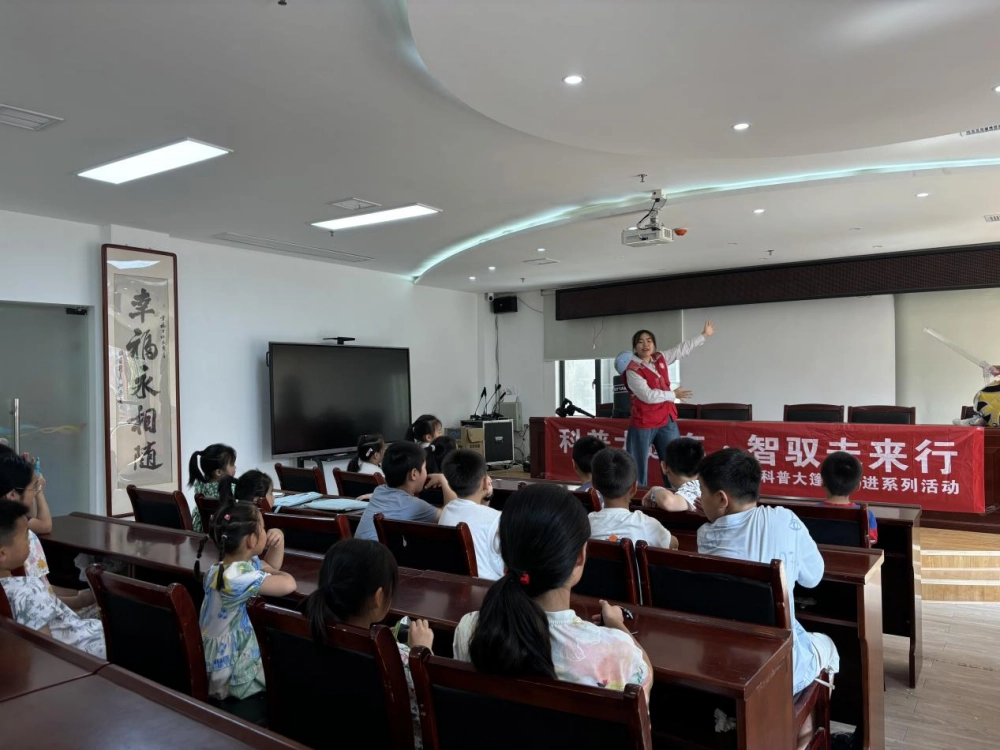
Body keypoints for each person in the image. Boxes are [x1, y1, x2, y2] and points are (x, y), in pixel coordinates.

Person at [453, 483, 652, 700]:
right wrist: (616, 624)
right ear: (580, 557)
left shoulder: (470, 630)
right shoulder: (618, 652)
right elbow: (645, 678)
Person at [695, 449, 837, 750]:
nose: (699, 499)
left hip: (722, 664)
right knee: (827, 646)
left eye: (702, 492)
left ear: (722, 499)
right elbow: (813, 578)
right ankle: (803, 735)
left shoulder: (705, 536)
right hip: (778, 667)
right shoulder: (784, 520)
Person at [305, 539, 434, 748]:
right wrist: (421, 652)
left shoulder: (304, 632)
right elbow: (428, 711)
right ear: (378, 597)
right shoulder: (397, 658)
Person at [196, 480, 297, 703]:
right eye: (263, 528)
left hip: (217, 657)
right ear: (252, 540)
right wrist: (274, 572)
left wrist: (278, 541)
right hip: (229, 672)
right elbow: (289, 584)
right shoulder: (236, 578)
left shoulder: (222, 569)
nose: (266, 532)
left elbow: (271, 566)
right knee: (288, 666)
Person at [0, 499, 106, 658]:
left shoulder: (12, 586)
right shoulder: (28, 590)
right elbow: (45, 652)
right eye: (25, 536)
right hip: (88, 647)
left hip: (85, 634)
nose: (29, 541)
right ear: (2, 554)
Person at [616, 321, 715, 486]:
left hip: (666, 418)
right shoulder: (632, 370)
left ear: (654, 344)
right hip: (644, 421)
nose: (645, 345)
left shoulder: (659, 358)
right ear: (635, 347)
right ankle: (636, 496)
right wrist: (673, 394)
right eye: (640, 342)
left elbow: (680, 350)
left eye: (649, 341)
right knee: (637, 465)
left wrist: (703, 335)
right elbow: (648, 396)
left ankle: (676, 494)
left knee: (675, 461)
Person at [0, 453, 96, 612]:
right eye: (34, 487)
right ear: (12, 495)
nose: (35, 492)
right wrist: (81, 600)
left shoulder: (17, 524)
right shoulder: (14, 536)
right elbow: (40, 598)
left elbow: (43, 589)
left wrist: (82, 596)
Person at [355, 442, 452, 541]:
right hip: (376, 550)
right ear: (414, 474)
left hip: (357, 547)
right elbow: (449, 516)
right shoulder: (415, 505)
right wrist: (444, 480)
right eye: (424, 468)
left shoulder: (379, 491)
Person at [588, 449, 677, 549]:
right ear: (634, 488)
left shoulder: (586, 523)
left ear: (593, 484)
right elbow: (672, 544)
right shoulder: (644, 523)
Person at [438, 449, 504, 580]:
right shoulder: (497, 519)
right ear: (485, 482)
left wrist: (486, 497)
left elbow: (476, 515)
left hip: (456, 584)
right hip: (489, 587)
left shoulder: (446, 511)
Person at [820, 452, 878, 545]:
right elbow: (870, 542)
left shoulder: (807, 512)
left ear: (822, 481)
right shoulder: (867, 515)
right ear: (858, 486)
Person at [643, 437, 704, 513]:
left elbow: (668, 502)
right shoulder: (702, 486)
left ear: (664, 467)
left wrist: (654, 490)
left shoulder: (692, 487)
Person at [188, 443, 238, 532]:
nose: (235, 467)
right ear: (218, 472)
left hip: (202, 529)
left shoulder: (200, 484)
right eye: (232, 464)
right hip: (224, 531)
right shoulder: (232, 489)